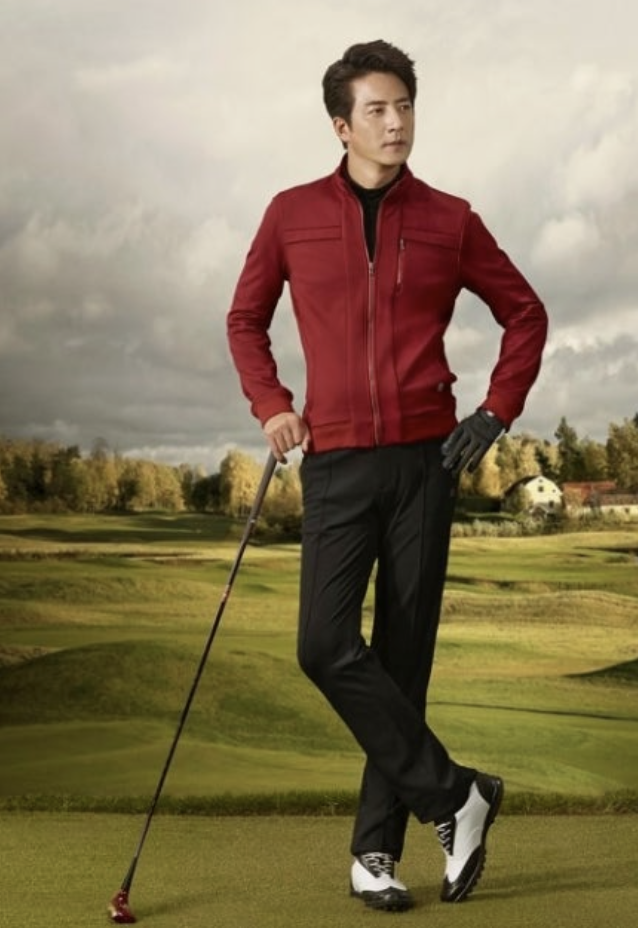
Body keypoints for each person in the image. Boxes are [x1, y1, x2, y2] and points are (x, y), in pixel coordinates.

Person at [227, 40, 547, 912]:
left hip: (425, 462)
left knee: (405, 659)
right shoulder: (291, 214)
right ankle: (458, 796)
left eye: (404, 105)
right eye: (377, 109)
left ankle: (376, 852)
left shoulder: (451, 219)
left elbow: (525, 312)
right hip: (334, 462)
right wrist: (272, 404)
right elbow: (245, 319)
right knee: (324, 645)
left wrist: (496, 411)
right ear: (342, 125)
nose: (396, 122)